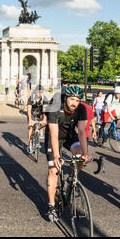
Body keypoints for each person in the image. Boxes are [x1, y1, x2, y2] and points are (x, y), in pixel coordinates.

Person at [45, 85, 91, 222]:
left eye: (77, 100)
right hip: (54, 137)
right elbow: (53, 133)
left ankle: (70, 180)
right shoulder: (55, 105)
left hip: (70, 135)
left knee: (81, 156)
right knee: (53, 170)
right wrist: (57, 156)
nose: (74, 103)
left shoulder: (81, 108)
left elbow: (82, 131)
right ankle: (52, 206)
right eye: (72, 99)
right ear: (65, 98)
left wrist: (86, 154)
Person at [26, 85, 48, 154]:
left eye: (41, 92)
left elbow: (45, 111)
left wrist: (44, 120)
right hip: (32, 112)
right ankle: (29, 144)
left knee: (44, 121)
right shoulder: (31, 98)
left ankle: (40, 130)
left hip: (41, 112)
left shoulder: (44, 98)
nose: (40, 93)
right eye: (38, 92)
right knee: (31, 127)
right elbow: (29, 110)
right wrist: (30, 120)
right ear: (35, 92)